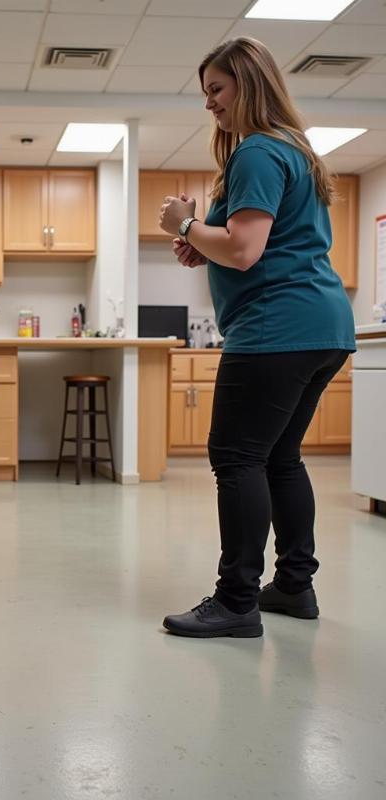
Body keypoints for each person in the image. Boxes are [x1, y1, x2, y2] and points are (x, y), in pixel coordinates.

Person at [157, 37, 356, 638]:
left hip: (277, 328)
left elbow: (244, 250)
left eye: (217, 89)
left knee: (237, 458)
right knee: (279, 458)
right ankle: (294, 585)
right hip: (322, 325)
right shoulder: (295, 150)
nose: (210, 104)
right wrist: (203, 248)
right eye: (206, 94)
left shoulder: (257, 153)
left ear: (249, 82)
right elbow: (256, 246)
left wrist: (184, 222)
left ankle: (236, 601)